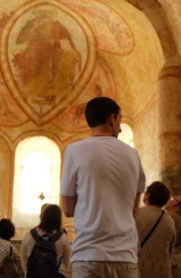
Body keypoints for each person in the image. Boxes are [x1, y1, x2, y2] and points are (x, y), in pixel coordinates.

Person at [60, 96, 146, 278]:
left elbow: (67, 209)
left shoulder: (74, 150)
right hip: (125, 257)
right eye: (119, 120)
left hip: (88, 255)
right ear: (111, 118)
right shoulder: (133, 155)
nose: (121, 127)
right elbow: (133, 209)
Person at [135, 181, 177, 278]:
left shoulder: (137, 214)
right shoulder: (169, 220)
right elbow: (170, 250)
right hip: (162, 272)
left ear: (148, 195)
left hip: (139, 271)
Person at [21, 204, 71, 277]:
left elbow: (24, 258)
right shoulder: (62, 237)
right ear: (58, 218)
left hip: (33, 275)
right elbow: (67, 260)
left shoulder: (30, 235)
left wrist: (27, 273)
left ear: (43, 216)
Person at [165, 195, 181, 278]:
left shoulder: (166, 217)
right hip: (178, 265)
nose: (170, 200)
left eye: (173, 199)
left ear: (176, 204)